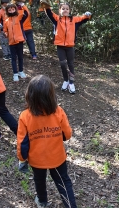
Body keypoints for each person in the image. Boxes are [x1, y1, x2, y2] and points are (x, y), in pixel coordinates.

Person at [17, 75, 77, 208]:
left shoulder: (25, 116)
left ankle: (42, 202)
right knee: (63, 182)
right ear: (51, 95)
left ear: (30, 95)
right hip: (57, 157)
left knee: (39, 180)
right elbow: (67, 134)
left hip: (37, 160)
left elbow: (22, 143)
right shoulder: (59, 112)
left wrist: (22, 159)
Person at [43, 0, 92, 94]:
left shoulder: (74, 20)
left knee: (71, 64)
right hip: (60, 46)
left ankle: (71, 82)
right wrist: (46, 5)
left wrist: (88, 15)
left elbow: (84, 18)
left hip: (70, 46)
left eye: (67, 9)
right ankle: (65, 80)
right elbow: (49, 13)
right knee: (62, 64)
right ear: (60, 10)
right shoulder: (57, 19)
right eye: (63, 8)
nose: (65, 10)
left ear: (69, 10)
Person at [3, 3, 28, 82]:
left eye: (13, 9)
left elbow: (26, 14)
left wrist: (23, 5)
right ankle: (15, 73)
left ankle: (21, 71)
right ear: (7, 11)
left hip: (19, 41)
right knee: (13, 58)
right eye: (9, 10)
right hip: (11, 42)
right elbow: (5, 30)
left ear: (15, 9)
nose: (11, 11)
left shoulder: (19, 17)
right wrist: (6, 34)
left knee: (20, 57)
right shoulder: (6, 21)